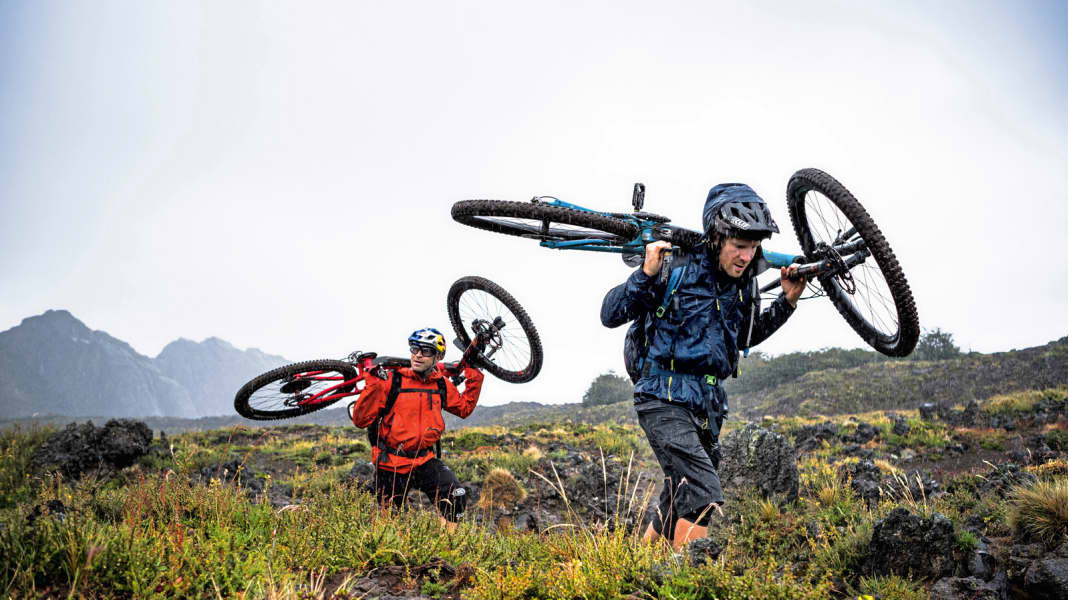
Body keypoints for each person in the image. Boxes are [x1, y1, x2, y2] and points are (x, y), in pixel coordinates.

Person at [600, 183, 806, 549]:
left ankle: (638, 565)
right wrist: (645, 275)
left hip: (709, 403)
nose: (746, 256)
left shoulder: (743, 285)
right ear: (716, 236)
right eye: (739, 246)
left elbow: (742, 338)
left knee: (678, 495)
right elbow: (610, 313)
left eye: (754, 247)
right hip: (661, 394)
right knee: (702, 491)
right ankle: (689, 582)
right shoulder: (674, 266)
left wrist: (787, 303)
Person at [351, 327, 484, 524]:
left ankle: (449, 549)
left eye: (426, 351)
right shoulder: (392, 380)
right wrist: (372, 385)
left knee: (456, 497)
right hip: (391, 463)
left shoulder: (441, 384)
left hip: (424, 460)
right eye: (414, 349)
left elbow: (463, 408)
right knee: (390, 521)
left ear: (438, 356)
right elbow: (360, 420)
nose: (418, 355)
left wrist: (474, 374)